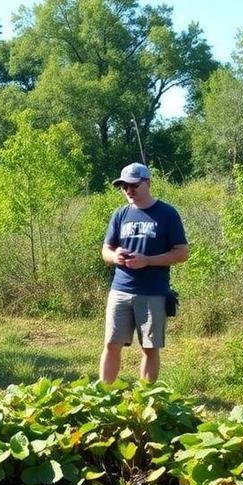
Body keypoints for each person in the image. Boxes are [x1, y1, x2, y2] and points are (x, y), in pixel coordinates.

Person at [99, 162, 189, 384]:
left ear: (148, 183)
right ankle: (103, 394)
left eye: (133, 185)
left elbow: (182, 253)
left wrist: (148, 261)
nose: (128, 191)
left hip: (153, 292)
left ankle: (145, 399)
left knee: (149, 348)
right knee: (111, 344)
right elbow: (106, 251)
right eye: (124, 187)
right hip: (120, 290)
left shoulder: (167, 214)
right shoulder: (120, 215)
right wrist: (115, 256)